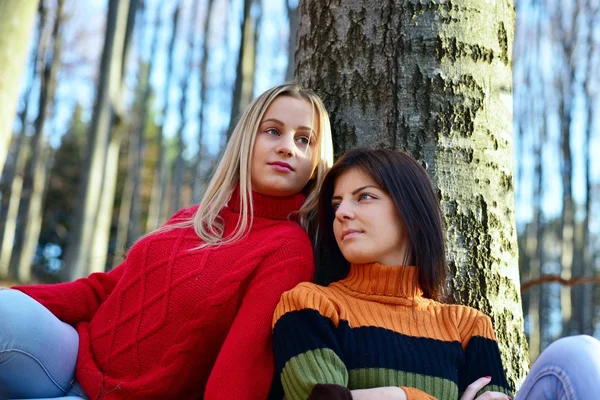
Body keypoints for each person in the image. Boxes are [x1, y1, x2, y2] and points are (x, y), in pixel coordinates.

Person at [0, 82, 334, 400]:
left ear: (316, 163)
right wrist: (15, 295)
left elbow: (242, 364)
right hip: (71, 354)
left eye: (305, 140)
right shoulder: (194, 216)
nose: (288, 146)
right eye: (273, 131)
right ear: (246, 140)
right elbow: (104, 290)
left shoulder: (287, 249)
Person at [272, 148, 600, 400]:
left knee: (577, 355)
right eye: (337, 204)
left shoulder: (468, 326)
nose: (342, 213)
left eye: (365, 197)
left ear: (411, 212)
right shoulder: (310, 305)